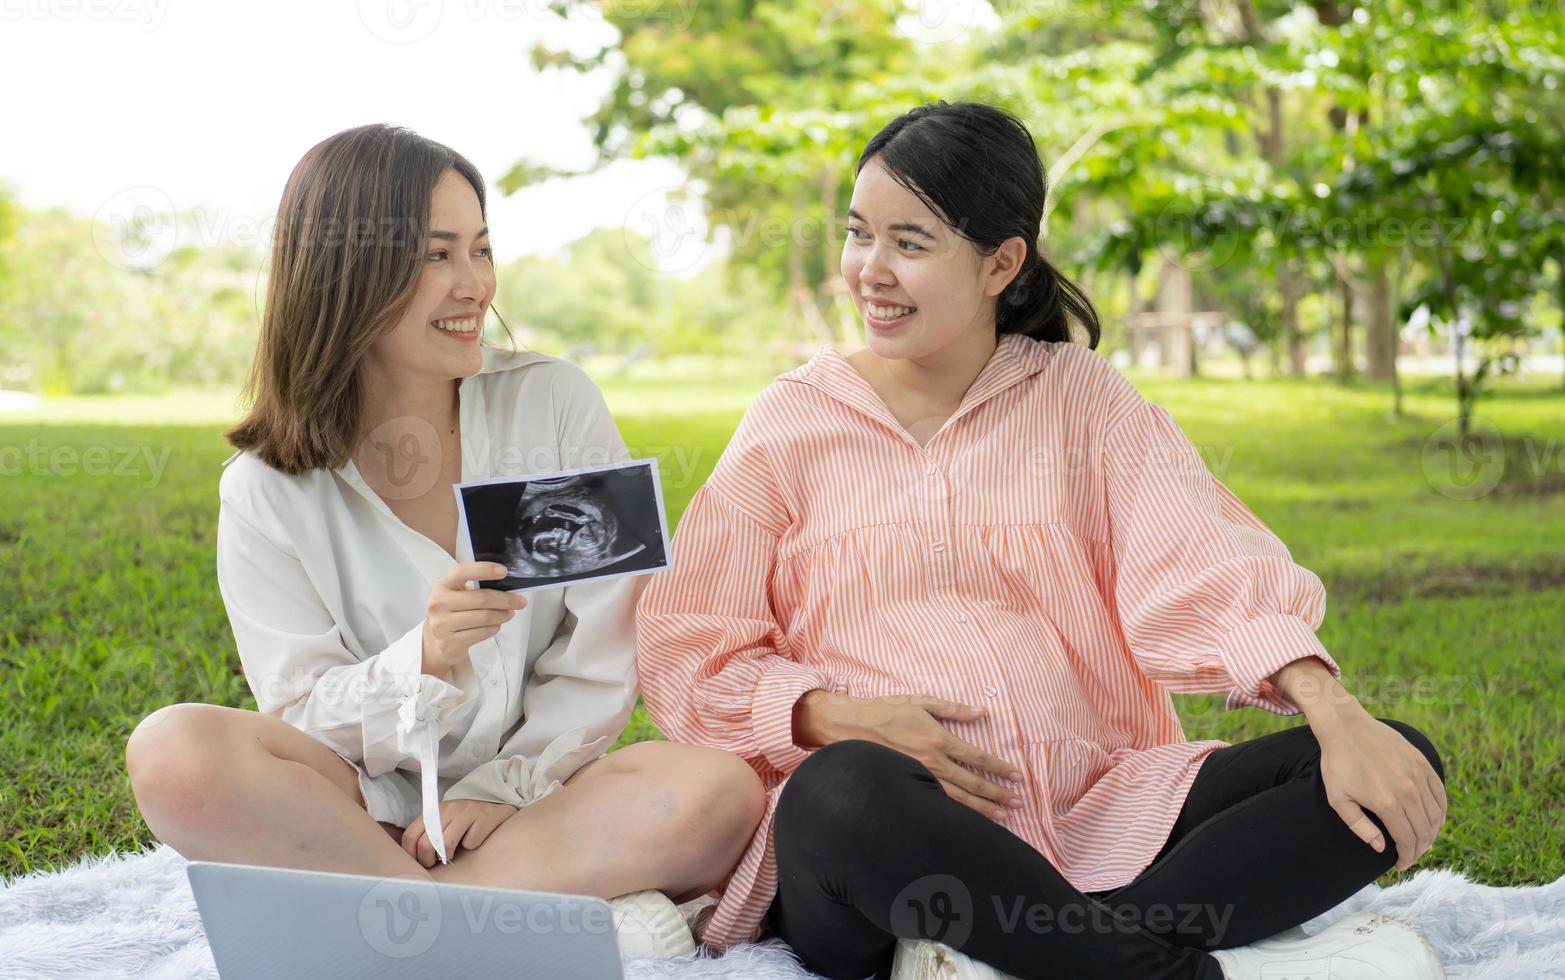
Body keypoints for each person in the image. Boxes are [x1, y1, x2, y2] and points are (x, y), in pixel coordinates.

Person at [634, 102, 1448, 979]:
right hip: (885, 845)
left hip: (1099, 810)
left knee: (1385, 756)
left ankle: (1005, 952)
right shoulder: (789, 423)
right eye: (858, 233)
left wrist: (1335, 712)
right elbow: (690, 649)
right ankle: (1170, 968)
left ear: (1001, 262)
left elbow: (1202, 564)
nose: (869, 269)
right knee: (841, 793)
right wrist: (833, 717)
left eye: (909, 243)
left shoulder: (1081, 400)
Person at [124, 124, 766, 957]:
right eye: (436, 256)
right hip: (358, 805)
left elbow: (603, 648)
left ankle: (408, 922)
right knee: (175, 752)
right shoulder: (266, 489)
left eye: (481, 248)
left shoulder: (552, 406)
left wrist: (505, 788)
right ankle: (495, 921)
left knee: (715, 788)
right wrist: (420, 660)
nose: (474, 285)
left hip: (539, 801)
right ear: (342, 275)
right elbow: (300, 709)